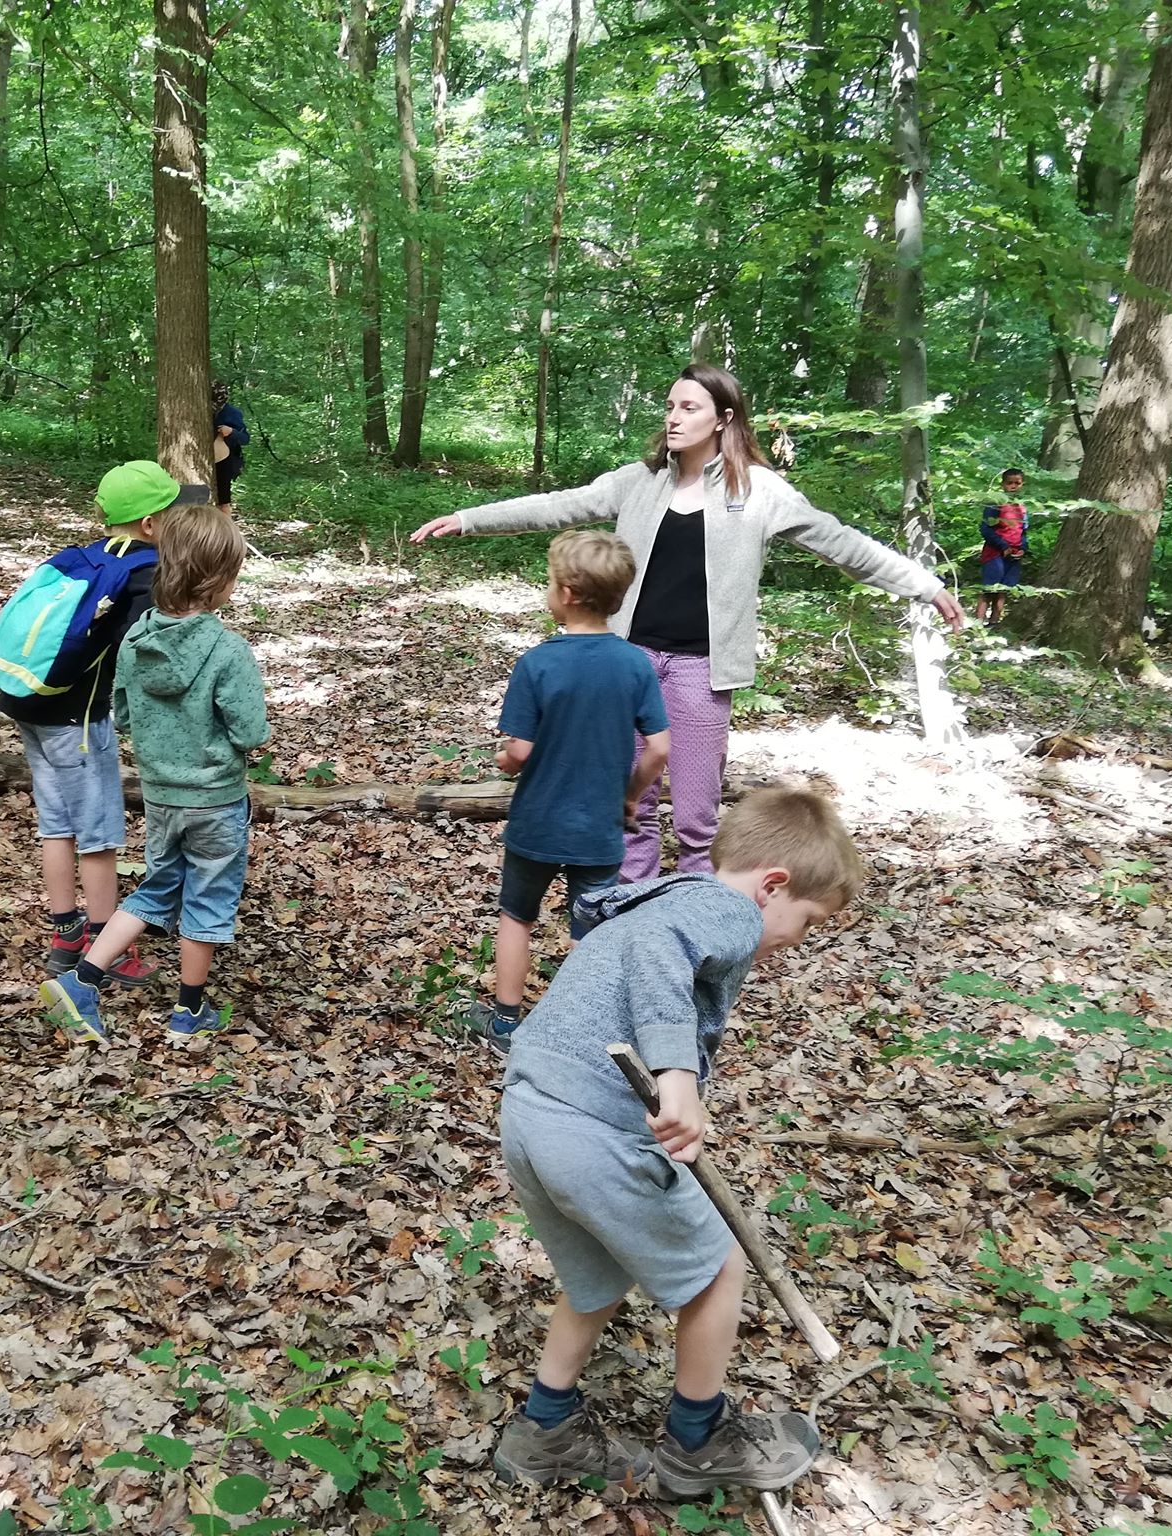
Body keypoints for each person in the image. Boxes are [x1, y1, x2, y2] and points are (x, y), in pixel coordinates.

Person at [411, 363, 964, 879]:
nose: (674, 417)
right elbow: (562, 505)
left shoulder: (760, 491)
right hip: (628, 661)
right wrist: (468, 518)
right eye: (671, 406)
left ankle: (693, 921)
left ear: (724, 419)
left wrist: (924, 583)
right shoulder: (641, 480)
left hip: (702, 668)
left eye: (690, 408)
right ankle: (629, 910)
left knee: (698, 816)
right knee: (632, 803)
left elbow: (840, 543)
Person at [490, 786, 862, 1495]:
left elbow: (648, 956)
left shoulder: (665, 896)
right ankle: (699, 1442)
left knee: (597, 1273)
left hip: (532, 1113)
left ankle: (545, 1430)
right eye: (808, 922)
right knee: (719, 1271)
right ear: (772, 884)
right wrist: (677, 1075)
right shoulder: (725, 910)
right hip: (594, 1128)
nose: (798, 939)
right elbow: (662, 956)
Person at [39, 505, 269, 1044]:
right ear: (218, 581)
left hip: (160, 795)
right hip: (215, 799)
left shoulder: (138, 635)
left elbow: (119, 711)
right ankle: (189, 1013)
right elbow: (251, 731)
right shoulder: (228, 649)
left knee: (158, 888)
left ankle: (82, 980)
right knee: (207, 900)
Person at [468, 531, 671, 1051]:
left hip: (538, 822)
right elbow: (659, 749)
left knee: (517, 916)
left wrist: (502, 761)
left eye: (551, 582)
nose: (548, 590)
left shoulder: (538, 663)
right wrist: (630, 796)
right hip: (599, 828)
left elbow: (521, 752)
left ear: (570, 594)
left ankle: (506, 1023)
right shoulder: (634, 665)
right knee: (591, 930)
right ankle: (580, 1029)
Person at [0, 460, 173, 982]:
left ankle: (65, 930)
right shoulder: (144, 572)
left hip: (32, 706)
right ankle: (105, 945)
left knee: (57, 825)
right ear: (149, 524)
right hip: (77, 721)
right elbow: (139, 650)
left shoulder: (80, 558)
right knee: (98, 835)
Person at [975, 467, 1029, 623]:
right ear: (1003, 484)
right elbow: (986, 529)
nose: (1013, 486)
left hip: (1014, 554)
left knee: (1003, 590)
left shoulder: (1022, 506)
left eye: (1017, 483)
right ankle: (978, 623)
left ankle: (994, 622)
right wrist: (1002, 546)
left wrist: (1023, 548)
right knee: (989, 588)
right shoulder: (995, 504)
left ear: (1022, 484)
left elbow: (1023, 531)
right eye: (1009, 483)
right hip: (994, 553)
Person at [212, 380, 249, 511]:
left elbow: (245, 439)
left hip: (225, 460)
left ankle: (227, 530)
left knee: (223, 502)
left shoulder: (233, 413)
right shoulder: (202, 409)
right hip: (204, 458)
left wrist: (231, 432)